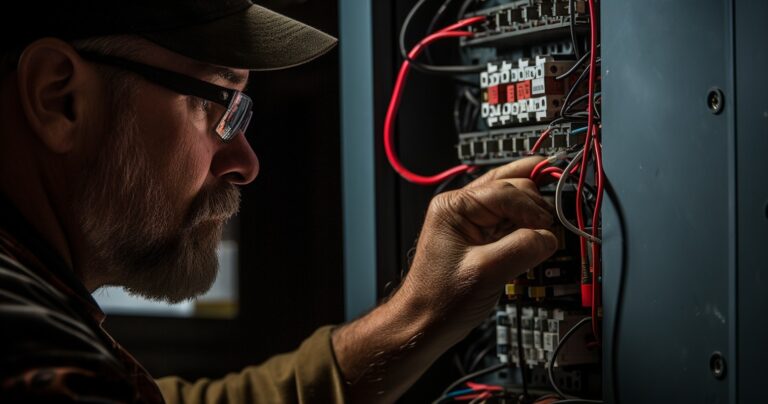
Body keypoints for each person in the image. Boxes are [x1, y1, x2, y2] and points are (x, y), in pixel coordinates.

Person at [0, 1, 558, 403]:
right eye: (217, 104)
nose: (245, 162)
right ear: (59, 98)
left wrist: (419, 313)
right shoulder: (38, 357)